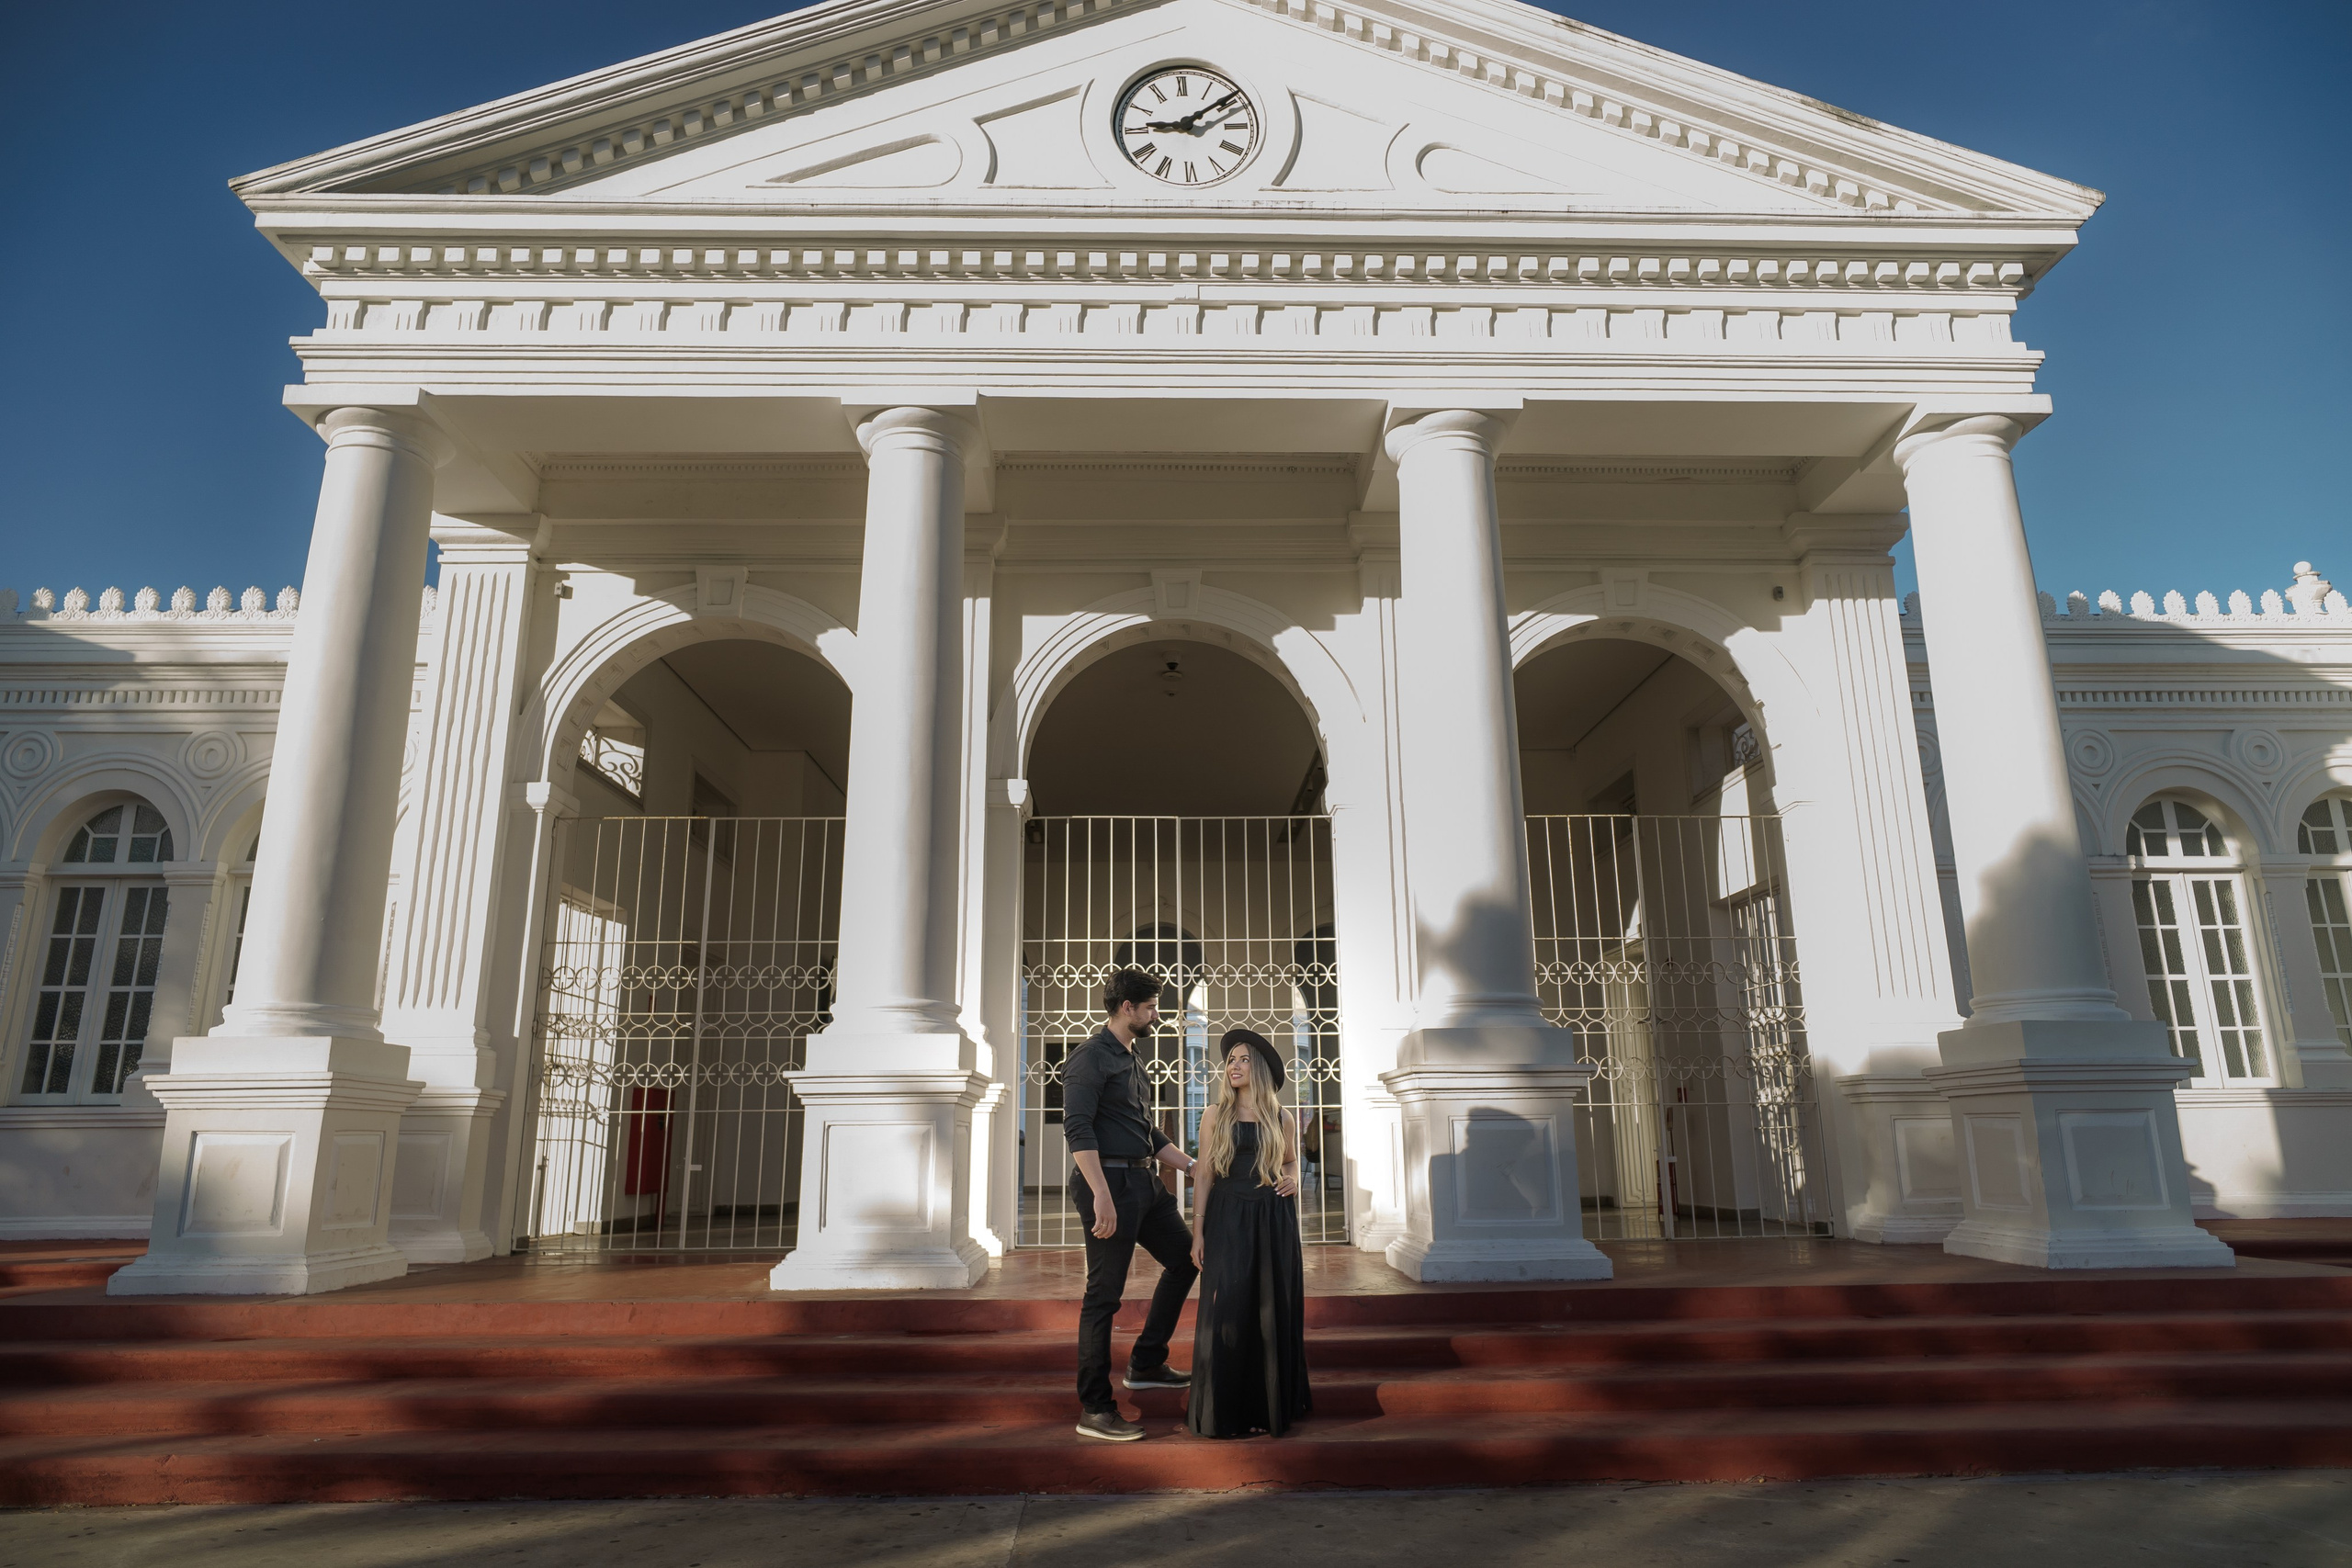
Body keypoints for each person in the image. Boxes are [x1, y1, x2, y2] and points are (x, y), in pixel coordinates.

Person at [1062, 966, 1202, 1442]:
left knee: (1185, 1260)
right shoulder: (1089, 1058)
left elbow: (1145, 1130)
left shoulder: (1131, 1056)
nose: (1156, 1014)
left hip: (1144, 1182)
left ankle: (1145, 1362)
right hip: (1109, 1184)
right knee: (1103, 1295)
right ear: (1128, 1008)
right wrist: (1101, 1194)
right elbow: (1078, 1129)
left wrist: (1191, 1166)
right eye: (1151, 1007)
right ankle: (1095, 1408)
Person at [1185, 1027, 1312, 1438]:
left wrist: (1292, 1178)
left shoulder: (1282, 1116)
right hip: (1227, 1217)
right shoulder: (1214, 1114)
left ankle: (1265, 1407)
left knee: (1269, 1307)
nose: (1234, 1066)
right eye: (1230, 1060)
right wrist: (1198, 1231)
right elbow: (1205, 1174)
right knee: (1230, 1307)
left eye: (1243, 1059)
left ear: (1258, 1067)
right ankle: (1228, 1410)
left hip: (1273, 1218)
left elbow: (1290, 1161)